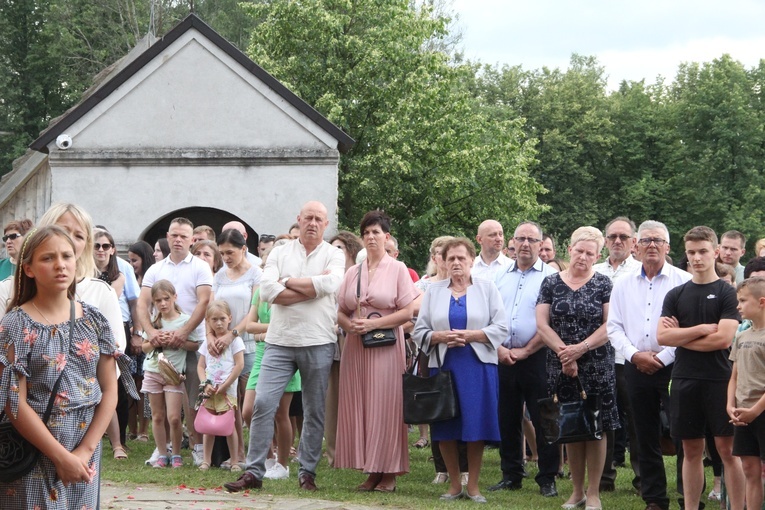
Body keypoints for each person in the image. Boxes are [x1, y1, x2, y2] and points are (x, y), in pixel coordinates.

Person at [224, 201, 345, 493]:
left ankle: (307, 472)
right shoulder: (279, 251)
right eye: (308, 218)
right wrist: (308, 290)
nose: (313, 223)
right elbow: (266, 291)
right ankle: (254, 472)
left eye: (319, 219)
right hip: (278, 342)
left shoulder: (334, 254)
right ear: (298, 219)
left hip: (318, 341)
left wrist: (287, 283)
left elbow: (331, 285)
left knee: (314, 411)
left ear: (326, 224)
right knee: (263, 404)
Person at [0, 225, 117, 508]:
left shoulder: (94, 319)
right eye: (47, 258)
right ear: (28, 269)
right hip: (35, 448)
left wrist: (84, 451)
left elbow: (110, 388)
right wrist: (61, 456)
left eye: (67, 256)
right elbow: (14, 402)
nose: (60, 265)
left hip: (85, 448)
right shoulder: (15, 325)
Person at [413, 237, 508, 503]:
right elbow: (418, 331)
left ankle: (474, 486)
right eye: (451, 258)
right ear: (442, 261)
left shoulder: (487, 288)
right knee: (446, 426)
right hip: (444, 366)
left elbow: (501, 327)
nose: (456, 263)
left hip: (477, 366)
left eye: (461, 258)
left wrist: (473, 335)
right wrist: (440, 337)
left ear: (472, 260)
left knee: (475, 425)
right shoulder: (433, 291)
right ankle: (454, 484)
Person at [658, 226, 745, 510]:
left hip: (719, 379)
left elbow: (722, 339)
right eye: (692, 252)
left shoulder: (727, 293)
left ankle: (736, 506)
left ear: (716, 252)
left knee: (728, 451)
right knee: (691, 450)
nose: (697, 258)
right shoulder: (676, 294)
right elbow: (662, 337)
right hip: (684, 378)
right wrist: (697, 330)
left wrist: (682, 336)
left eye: (703, 252)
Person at [607, 220, 692, 510]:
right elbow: (614, 327)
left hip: (675, 364)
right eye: (646, 240)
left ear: (668, 247)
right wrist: (634, 355)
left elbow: (688, 328)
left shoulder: (682, 281)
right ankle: (654, 497)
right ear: (636, 246)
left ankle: (687, 496)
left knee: (682, 432)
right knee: (643, 433)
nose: (652, 245)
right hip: (636, 365)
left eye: (658, 240)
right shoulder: (622, 283)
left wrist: (663, 356)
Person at [334, 210, 418, 493]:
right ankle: (372, 469)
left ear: (387, 236)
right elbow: (341, 311)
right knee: (363, 406)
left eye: (376, 232)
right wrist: (351, 325)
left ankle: (390, 471)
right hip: (357, 347)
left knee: (386, 406)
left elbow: (408, 310)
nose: (371, 237)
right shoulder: (352, 272)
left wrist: (377, 323)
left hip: (386, 346)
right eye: (367, 232)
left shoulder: (398, 268)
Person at [536, 226, 617, 510]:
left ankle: (594, 493)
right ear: (569, 250)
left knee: (596, 426)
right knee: (570, 423)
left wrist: (579, 350)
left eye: (590, 253)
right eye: (579, 251)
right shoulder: (550, 283)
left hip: (596, 363)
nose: (583, 257)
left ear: (598, 256)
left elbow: (610, 325)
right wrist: (565, 355)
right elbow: (542, 324)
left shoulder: (604, 284)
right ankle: (577, 491)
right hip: (559, 363)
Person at [491, 221, 560, 497]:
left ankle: (547, 478)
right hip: (503, 355)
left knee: (545, 418)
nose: (526, 244)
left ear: (541, 245)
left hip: (538, 356)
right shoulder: (500, 276)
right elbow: (488, 314)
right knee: (507, 418)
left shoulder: (552, 277)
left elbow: (552, 321)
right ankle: (511, 474)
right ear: (513, 241)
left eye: (532, 240)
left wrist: (527, 350)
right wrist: (499, 349)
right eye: (521, 239)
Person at [138, 217, 213, 466]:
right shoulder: (156, 269)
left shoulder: (200, 266)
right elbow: (142, 303)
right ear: (167, 237)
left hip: (193, 341)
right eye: (174, 235)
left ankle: (196, 446)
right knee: (161, 402)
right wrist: (150, 331)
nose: (178, 240)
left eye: (183, 236)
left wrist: (184, 331)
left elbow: (204, 301)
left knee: (193, 398)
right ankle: (164, 448)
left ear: (192, 240)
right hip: (161, 342)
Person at [593, 217, 641, 493]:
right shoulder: (595, 269)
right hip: (598, 357)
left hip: (628, 356)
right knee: (603, 419)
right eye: (612, 236)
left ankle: (642, 479)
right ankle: (604, 478)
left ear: (634, 242)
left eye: (624, 236)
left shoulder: (639, 271)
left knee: (636, 419)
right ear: (605, 240)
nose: (617, 241)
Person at [212, 228, 261, 467]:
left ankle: (263, 453)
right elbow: (212, 309)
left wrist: (232, 335)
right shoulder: (220, 276)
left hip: (248, 344)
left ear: (244, 249)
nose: (226, 258)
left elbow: (254, 310)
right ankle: (237, 455)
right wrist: (212, 337)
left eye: (230, 252)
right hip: (223, 347)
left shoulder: (256, 274)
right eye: (222, 253)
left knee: (250, 406)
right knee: (231, 403)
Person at [141, 279, 202, 468]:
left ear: (175, 297)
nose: (163, 304)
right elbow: (144, 347)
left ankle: (176, 453)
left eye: (166, 299)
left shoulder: (184, 320)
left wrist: (178, 340)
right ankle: (162, 452)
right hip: (153, 371)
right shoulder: (154, 322)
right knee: (157, 416)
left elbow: (195, 344)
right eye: (158, 301)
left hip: (173, 374)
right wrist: (155, 341)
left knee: (174, 417)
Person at [197, 300, 245, 471]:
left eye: (222, 319)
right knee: (208, 426)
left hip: (227, 390)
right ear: (208, 321)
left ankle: (234, 460)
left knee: (228, 425)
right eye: (214, 319)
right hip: (210, 390)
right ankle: (206, 460)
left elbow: (239, 365)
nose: (218, 323)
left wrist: (226, 385)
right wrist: (204, 384)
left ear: (229, 319)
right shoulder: (206, 343)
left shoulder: (235, 342)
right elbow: (201, 366)